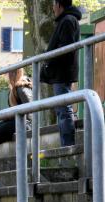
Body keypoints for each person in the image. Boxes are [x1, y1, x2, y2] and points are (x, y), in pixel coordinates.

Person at [40, 0, 81, 146]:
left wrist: (50, 62)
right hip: (61, 74)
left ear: (58, 5)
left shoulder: (68, 21)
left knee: (64, 111)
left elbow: (65, 50)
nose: (52, 8)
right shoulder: (67, 20)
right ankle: (66, 146)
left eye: (53, 5)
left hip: (62, 74)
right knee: (62, 110)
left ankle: (68, 147)